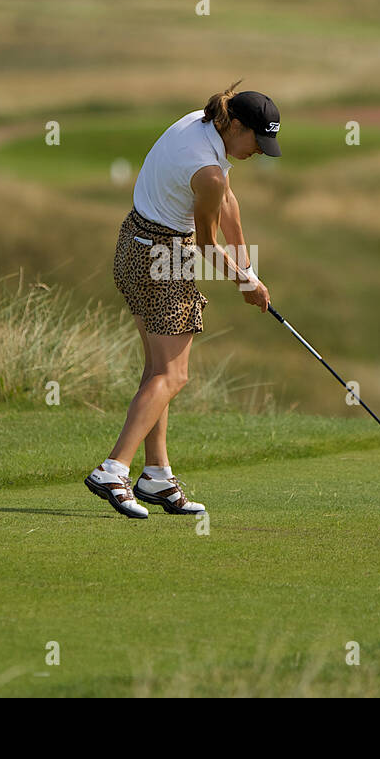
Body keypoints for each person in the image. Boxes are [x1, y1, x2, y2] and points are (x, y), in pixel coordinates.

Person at [84, 82, 281, 519]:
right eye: (258, 142)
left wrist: (248, 268)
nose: (260, 151)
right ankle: (112, 469)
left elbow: (228, 200)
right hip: (163, 257)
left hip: (133, 247)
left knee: (158, 372)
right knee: (174, 375)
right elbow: (208, 246)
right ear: (237, 127)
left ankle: (156, 474)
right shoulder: (206, 170)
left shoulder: (203, 124)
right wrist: (244, 284)